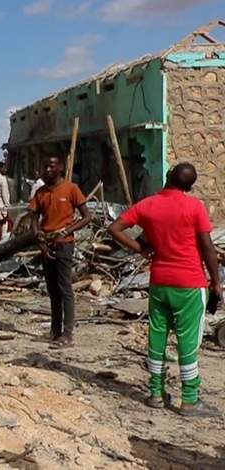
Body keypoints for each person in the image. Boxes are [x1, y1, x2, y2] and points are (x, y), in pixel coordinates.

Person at [107, 163, 223, 417]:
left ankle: (156, 393)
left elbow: (114, 228)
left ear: (169, 175)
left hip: (159, 281)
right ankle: (189, 399)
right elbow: (207, 247)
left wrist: (141, 249)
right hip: (189, 283)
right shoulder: (195, 207)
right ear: (190, 187)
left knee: (157, 336)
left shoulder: (147, 205)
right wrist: (216, 283)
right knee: (187, 341)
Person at [30, 155, 92, 349]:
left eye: (52, 166)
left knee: (65, 288)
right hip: (46, 243)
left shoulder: (71, 189)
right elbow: (34, 221)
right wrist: (41, 242)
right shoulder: (40, 192)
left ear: (61, 168)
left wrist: (64, 232)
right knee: (52, 289)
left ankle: (67, 333)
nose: (48, 170)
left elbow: (87, 217)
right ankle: (55, 330)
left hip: (64, 244)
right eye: (45, 166)